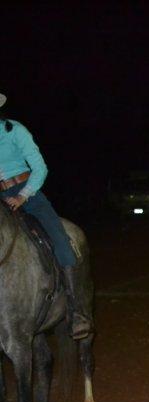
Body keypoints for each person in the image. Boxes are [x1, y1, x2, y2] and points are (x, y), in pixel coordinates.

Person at [0, 92, 91, 339]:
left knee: (60, 238)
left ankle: (76, 310)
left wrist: (23, 195)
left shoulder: (15, 131)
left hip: (26, 190)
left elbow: (40, 167)